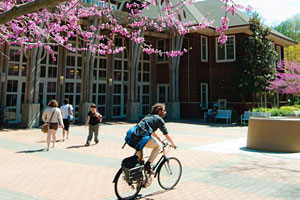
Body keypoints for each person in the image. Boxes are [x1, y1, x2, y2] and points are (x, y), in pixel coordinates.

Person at [134, 103, 177, 174]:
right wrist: (173, 144)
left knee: (141, 161)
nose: (165, 112)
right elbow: (166, 134)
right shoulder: (159, 119)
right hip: (142, 138)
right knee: (158, 146)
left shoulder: (148, 116)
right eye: (164, 110)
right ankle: (148, 165)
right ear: (159, 111)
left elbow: (151, 132)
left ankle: (140, 181)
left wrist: (159, 138)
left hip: (134, 138)